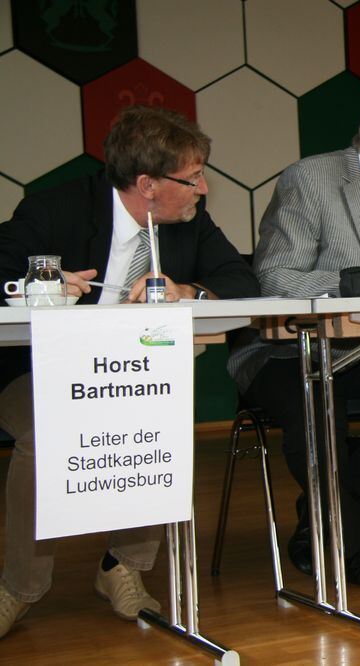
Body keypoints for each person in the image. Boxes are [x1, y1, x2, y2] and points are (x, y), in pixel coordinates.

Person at [0, 105, 259, 639]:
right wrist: (40, 287)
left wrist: (190, 291)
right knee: (45, 437)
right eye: (192, 178)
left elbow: (242, 282)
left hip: (130, 374)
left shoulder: (189, 224)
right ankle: (18, 587)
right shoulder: (53, 210)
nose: (203, 189)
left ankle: (125, 566)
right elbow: (2, 276)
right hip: (35, 371)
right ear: (147, 183)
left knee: (158, 422)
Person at [227, 93, 360, 586]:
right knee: (317, 406)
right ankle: (355, 541)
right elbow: (277, 278)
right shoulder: (311, 180)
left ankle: (340, 521)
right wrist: (357, 281)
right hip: (287, 350)